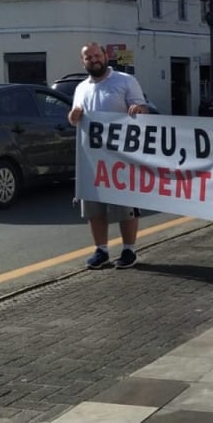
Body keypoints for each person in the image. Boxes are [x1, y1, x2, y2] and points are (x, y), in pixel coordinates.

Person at [67, 42, 149, 270]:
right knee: (93, 207)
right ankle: (101, 250)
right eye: (88, 57)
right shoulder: (81, 88)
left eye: (96, 55)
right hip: (91, 157)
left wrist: (138, 110)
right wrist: (73, 116)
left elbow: (143, 110)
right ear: (83, 62)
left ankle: (129, 249)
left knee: (125, 206)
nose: (93, 60)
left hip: (121, 155)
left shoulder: (125, 81)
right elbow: (74, 119)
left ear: (105, 56)